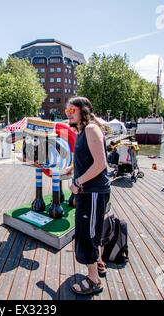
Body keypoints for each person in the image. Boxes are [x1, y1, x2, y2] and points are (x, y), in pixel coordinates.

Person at [64, 97, 111, 295]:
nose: (67, 114)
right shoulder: (84, 131)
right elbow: (89, 159)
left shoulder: (91, 129)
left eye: (71, 110)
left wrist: (78, 182)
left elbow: (101, 164)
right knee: (94, 230)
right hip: (89, 192)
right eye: (66, 111)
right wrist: (74, 169)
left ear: (82, 110)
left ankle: (93, 280)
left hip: (91, 192)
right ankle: (98, 262)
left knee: (87, 234)